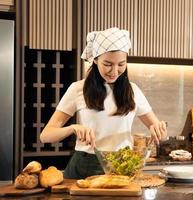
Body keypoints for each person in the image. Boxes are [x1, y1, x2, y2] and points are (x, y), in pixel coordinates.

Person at [40, 27, 167, 179]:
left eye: (121, 64)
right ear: (95, 60)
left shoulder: (133, 91)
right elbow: (45, 136)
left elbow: (162, 135)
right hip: (85, 165)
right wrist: (73, 128)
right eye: (107, 64)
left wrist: (159, 129)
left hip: (122, 165)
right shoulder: (77, 89)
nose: (114, 71)